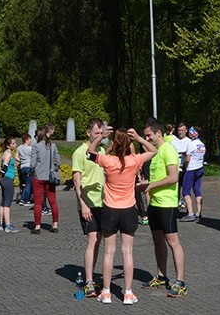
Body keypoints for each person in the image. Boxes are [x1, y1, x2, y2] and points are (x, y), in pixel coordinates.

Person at [87, 127, 157, 305]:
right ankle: (127, 293)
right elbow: (154, 150)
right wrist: (140, 139)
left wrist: (102, 138)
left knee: (109, 252)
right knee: (127, 253)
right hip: (129, 210)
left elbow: (89, 153)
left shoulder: (108, 160)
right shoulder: (134, 160)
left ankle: (106, 292)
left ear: (115, 143)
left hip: (110, 210)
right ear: (129, 143)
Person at [140, 118, 188, 299]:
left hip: (167, 204)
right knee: (157, 240)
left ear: (158, 133)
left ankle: (181, 282)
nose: (147, 138)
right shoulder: (156, 152)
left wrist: (150, 185)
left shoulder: (168, 149)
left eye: (149, 135)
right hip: (154, 204)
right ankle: (161, 276)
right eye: (145, 136)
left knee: (173, 242)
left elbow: (173, 177)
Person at [72, 118, 106, 298]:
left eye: (101, 133)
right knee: (92, 240)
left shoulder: (100, 151)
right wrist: (83, 204)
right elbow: (77, 181)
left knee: (99, 240)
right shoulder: (80, 152)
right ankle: (88, 281)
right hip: (88, 203)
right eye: (96, 133)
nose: (99, 137)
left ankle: (92, 276)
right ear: (88, 133)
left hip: (103, 202)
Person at [30, 123, 60, 234]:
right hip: (50, 177)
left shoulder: (36, 146)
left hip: (38, 177)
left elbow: (32, 163)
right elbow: (58, 161)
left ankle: (37, 227)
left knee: (38, 203)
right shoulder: (53, 146)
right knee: (53, 201)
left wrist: (32, 170)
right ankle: (55, 225)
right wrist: (53, 169)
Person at [0, 137, 21, 232]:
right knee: (7, 203)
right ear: (8, 145)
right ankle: (7, 225)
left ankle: (1, 224)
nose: (15, 145)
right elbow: (5, 166)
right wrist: (0, 175)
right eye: (13, 143)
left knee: (3, 202)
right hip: (7, 179)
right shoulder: (8, 154)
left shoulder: (6, 153)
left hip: (4, 179)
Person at [182, 126, 206, 222]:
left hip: (191, 169)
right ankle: (199, 212)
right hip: (200, 168)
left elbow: (187, 159)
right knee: (197, 190)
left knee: (186, 191)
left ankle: (190, 213)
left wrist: (185, 166)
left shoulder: (191, 144)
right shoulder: (202, 144)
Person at [170, 123, 191, 208]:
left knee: (186, 189)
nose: (180, 132)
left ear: (186, 131)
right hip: (176, 168)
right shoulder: (173, 142)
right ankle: (176, 206)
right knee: (176, 188)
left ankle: (187, 207)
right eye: (179, 130)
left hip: (186, 167)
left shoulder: (189, 142)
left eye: (182, 130)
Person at [17, 133, 34, 206]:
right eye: (30, 139)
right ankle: (25, 200)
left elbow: (16, 157)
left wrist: (22, 161)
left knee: (27, 184)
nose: (31, 141)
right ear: (26, 140)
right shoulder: (31, 149)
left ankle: (22, 199)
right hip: (29, 167)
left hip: (22, 167)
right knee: (29, 184)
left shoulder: (19, 147)